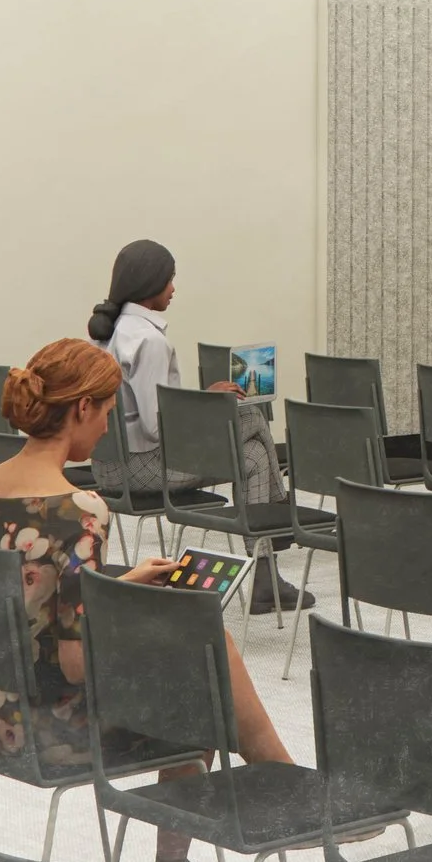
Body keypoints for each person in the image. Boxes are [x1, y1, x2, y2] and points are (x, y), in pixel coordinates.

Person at [0, 339, 298, 862]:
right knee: (201, 673)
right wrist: (148, 631)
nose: (106, 427)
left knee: (193, 658)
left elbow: (28, 599)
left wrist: (117, 587)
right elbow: (75, 665)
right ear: (82, 408)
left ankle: (272, 779)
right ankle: (274, 787)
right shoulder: (79, 509)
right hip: (43, 728)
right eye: (107, 411)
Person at [87, 240, 305, 615]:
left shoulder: (110, 331)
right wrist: (205, 405)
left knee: (253, 456)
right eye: (170, 279)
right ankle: (279, 521)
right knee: (252, 417)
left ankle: (267, 571)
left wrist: (202, 397)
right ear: (151, 283)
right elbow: (156, 428)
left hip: (107, 465)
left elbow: (143, 410)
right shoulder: (149, 341)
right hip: (141, 468)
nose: (174, 289)